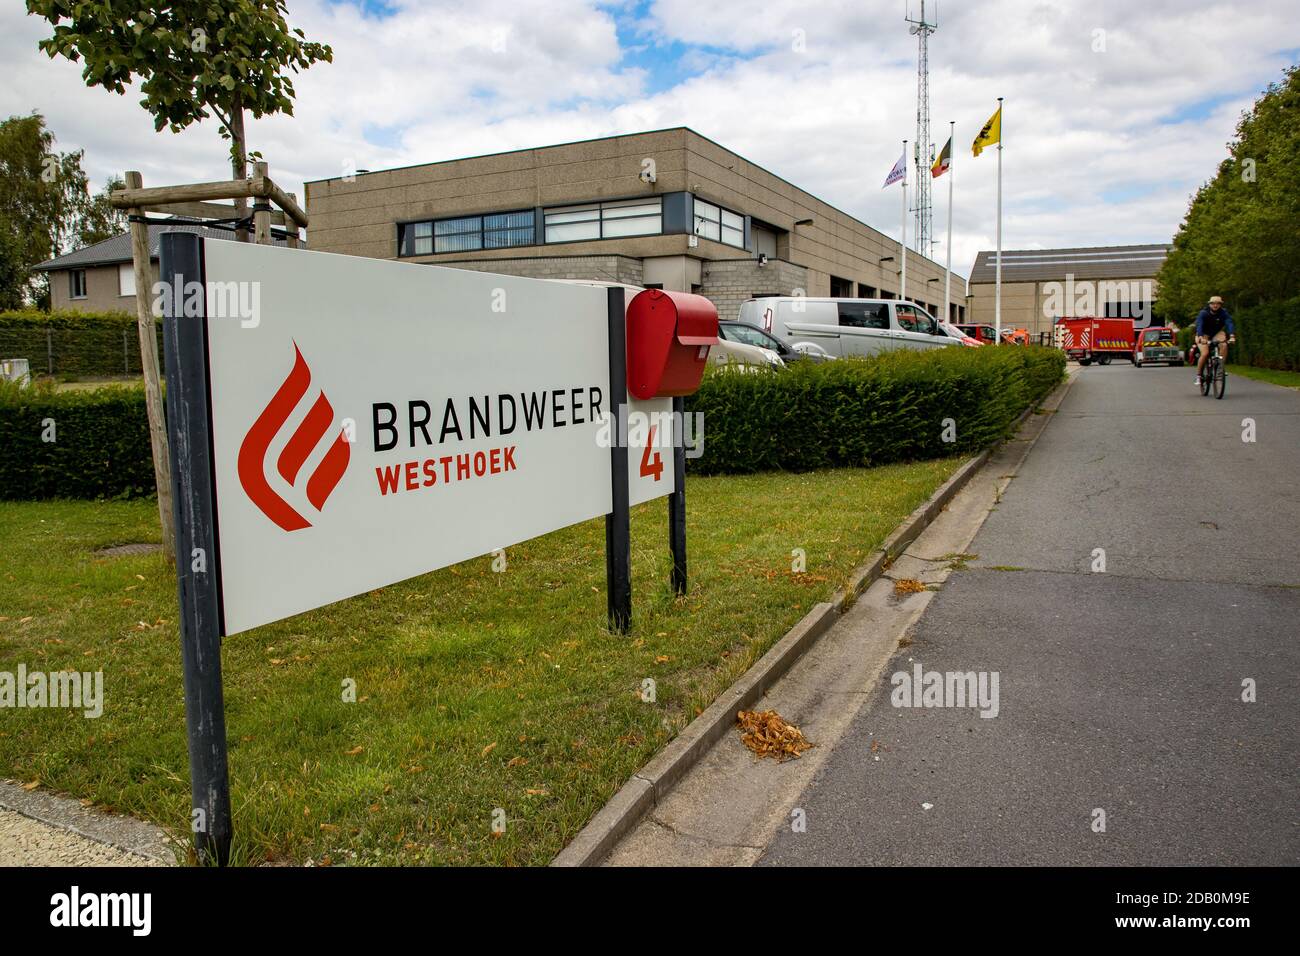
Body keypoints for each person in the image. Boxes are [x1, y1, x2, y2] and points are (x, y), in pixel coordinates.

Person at [1194, 296, 1236, 386]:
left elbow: (1229, 323)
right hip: (1203, 334)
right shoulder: (1204, 313)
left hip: (1216, 333)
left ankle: (1220, 369)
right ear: (1209, 304)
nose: (1215, 305)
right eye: (1213, 303)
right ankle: (1199, 376)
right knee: (1205, 353)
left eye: (1218, 303)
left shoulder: (1223, 313)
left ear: (1220, 305)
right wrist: (1201, 337)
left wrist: (1232, 336)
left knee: (1224, 345)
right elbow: (1199, 325)